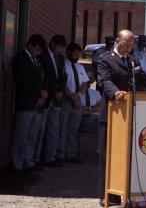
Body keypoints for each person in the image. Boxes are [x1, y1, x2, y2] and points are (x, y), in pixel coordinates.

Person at [97, 30, 146, 207]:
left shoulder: (133, 61)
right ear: (118, 41)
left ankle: (125, 190)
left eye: (131, 45)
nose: (128, 48)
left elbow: (145, 80)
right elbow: (104, 80)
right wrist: (115, 92)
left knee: (127, 156)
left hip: (130, 117)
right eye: (126, 44)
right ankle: (105, 194)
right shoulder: (105, 59)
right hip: (112, 114)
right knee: (109, 156)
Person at [12, 34, 48, 173]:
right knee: (21, 134)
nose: (38, 52)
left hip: (36, 103)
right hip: (25, 102)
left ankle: (27, 161)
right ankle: (17, 163)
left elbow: (40, 79)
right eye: (37, 49)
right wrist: (39, 91)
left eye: (39, 51)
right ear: (30, 45)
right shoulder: (20, 59)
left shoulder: (35, 60)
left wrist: (42, 93)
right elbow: (22, 81)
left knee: (32, 134)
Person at [58, 43, 89, 163]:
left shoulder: (80, 67)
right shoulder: (63, 65)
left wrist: (79, 95)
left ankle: (71, 154)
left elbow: (84, 83)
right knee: (63, 127)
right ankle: (60, 154)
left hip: (78, 101)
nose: (77, 56)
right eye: (75, 53)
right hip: (66, 100)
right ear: (69, 52)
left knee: (74, 128)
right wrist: (71, 96)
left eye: (79, 54)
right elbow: (62, 83)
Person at [39, 34, 67, 167]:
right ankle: (38, 157)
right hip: (46, 98)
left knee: (54, 129)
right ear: (53, 44)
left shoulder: (60, 59)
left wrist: (61, 91)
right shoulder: (43, 56)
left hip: (57, 100)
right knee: (40, 128)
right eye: (59, 47)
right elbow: (44, 78)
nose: (60, 50)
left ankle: (50, 157)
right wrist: (53, 91)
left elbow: (63, 77)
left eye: (62, 48)